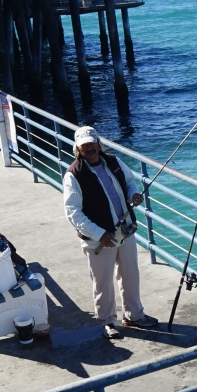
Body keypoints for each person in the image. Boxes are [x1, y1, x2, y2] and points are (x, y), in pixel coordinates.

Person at [62, 126, 157, 338]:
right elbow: (73, 213)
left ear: (99, 143)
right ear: (77, 148)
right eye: (84, 145)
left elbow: (130, 182)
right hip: (98, 240)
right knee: (102, 282)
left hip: (124, 231)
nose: (89, 148)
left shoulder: (114, 161)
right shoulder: (73, 175)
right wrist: (99, 234)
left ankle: (134, 315)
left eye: (92, 143)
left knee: (130, 275)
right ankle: (108, 322)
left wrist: (133, 195)